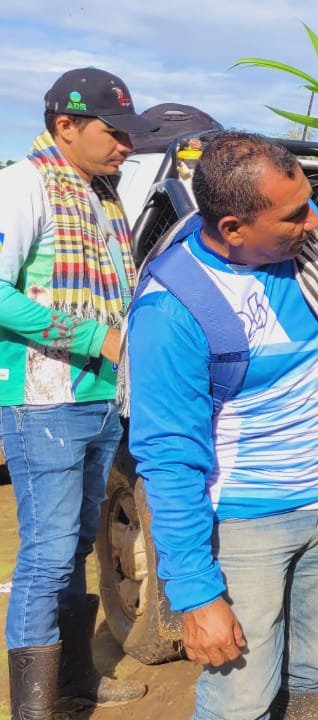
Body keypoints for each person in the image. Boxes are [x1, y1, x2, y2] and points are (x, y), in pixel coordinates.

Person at [123, 132, 318, 719]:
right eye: (294, 215)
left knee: (317, 662)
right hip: (248, 524)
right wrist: (196, 593)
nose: (314, 224)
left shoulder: (301, 240)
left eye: (307, 203)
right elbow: (171, 460)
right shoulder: (173, 312)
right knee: (240, 693)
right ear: (233, 228)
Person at [0, 67, 157, 718]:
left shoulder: (102, 195)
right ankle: (35, 707)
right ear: (65, 126)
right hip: (45, 397)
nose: (126, 145)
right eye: (113, 131)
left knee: (71, 547)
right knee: (45, 550)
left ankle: (71, 683)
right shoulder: (23, 185)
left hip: (98, 400)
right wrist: (96, 337)